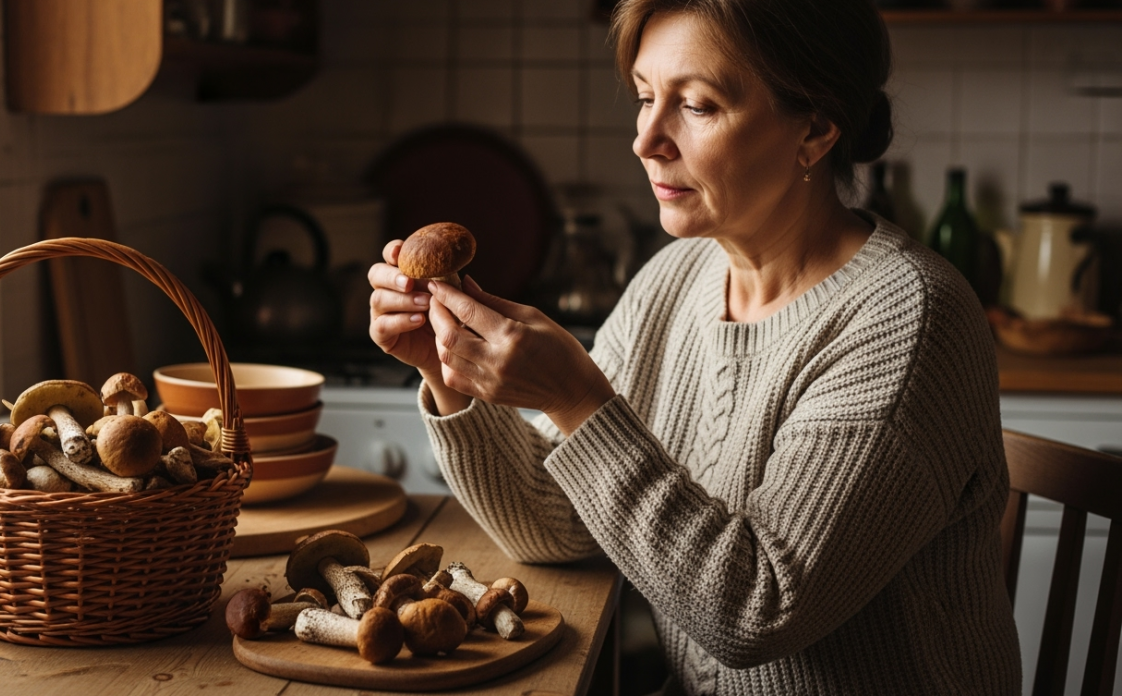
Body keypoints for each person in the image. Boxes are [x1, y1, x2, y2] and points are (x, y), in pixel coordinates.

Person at [367, 0, 1020, 693]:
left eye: (698, 106)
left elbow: (757, 610)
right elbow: (558, 526)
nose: (646, 140)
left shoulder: (907, 322)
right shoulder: (679, 275)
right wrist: (450, 377)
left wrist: (577, 399)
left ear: (816, 129)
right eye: (646, 97)